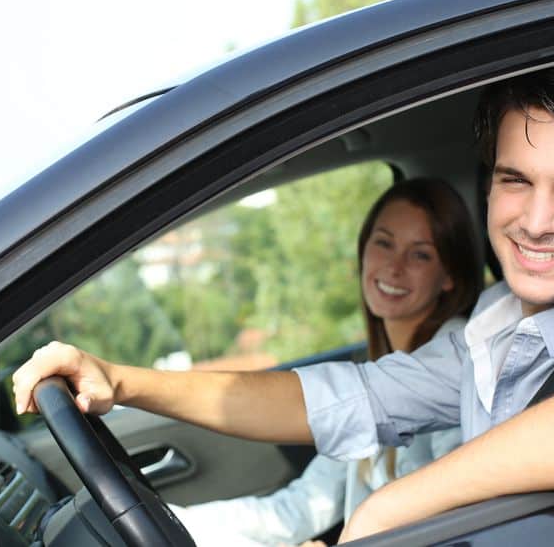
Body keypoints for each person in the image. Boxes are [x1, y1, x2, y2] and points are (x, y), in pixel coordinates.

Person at [13, 56, 554, 543]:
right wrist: (123, 378)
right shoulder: (489, 334)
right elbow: (333, 398)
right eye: (515, 180)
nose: (537, 220)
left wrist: (389, 510)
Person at [169, 178, 482, 546]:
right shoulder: (381, 376)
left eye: (420, 254)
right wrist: (174, 523)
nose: (394, 267)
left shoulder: (455, 361)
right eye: (383, 243)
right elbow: (301, 508)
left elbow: (463, 519)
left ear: (450, 276)